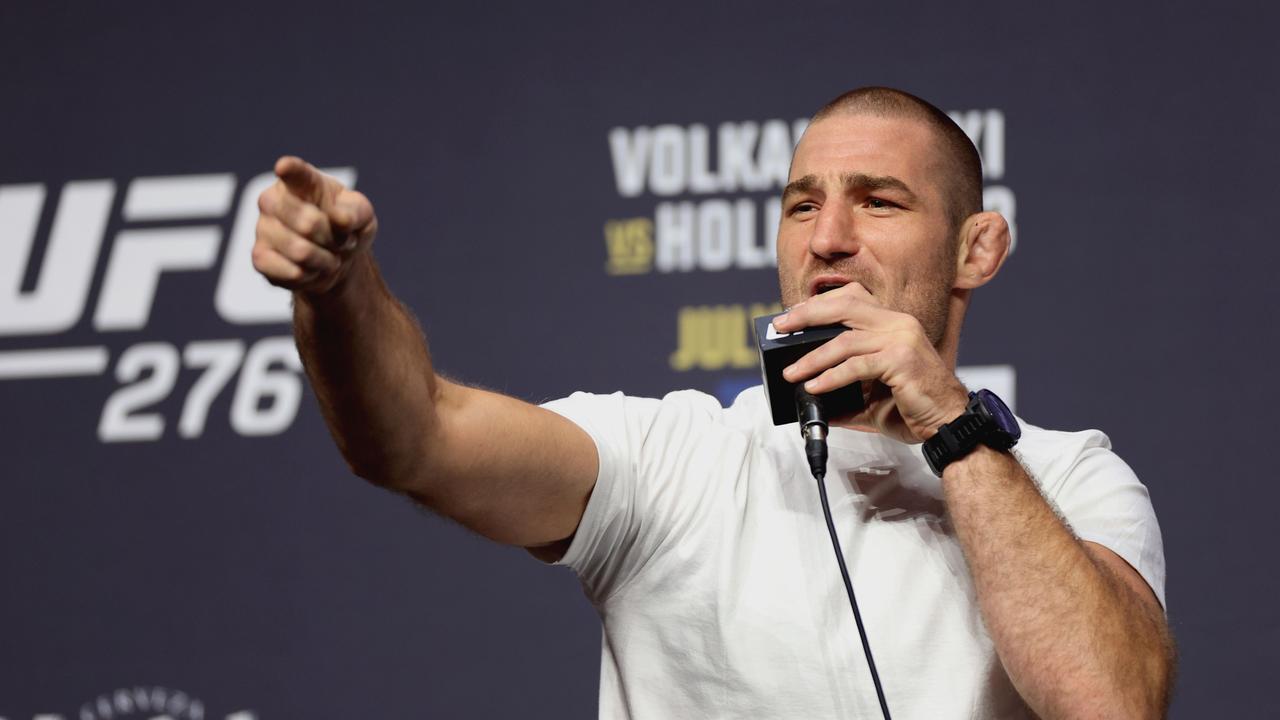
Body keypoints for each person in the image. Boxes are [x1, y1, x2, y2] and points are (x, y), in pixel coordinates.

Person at [252, 86, 1174, 719]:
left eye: (880, 202)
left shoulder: (1068, 477)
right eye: (801, 206)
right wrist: (341, 295)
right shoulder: (673, 457)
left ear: (977, 249)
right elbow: (417, 435)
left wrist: (950, 421)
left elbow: (1109, 703)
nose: (830, 239)